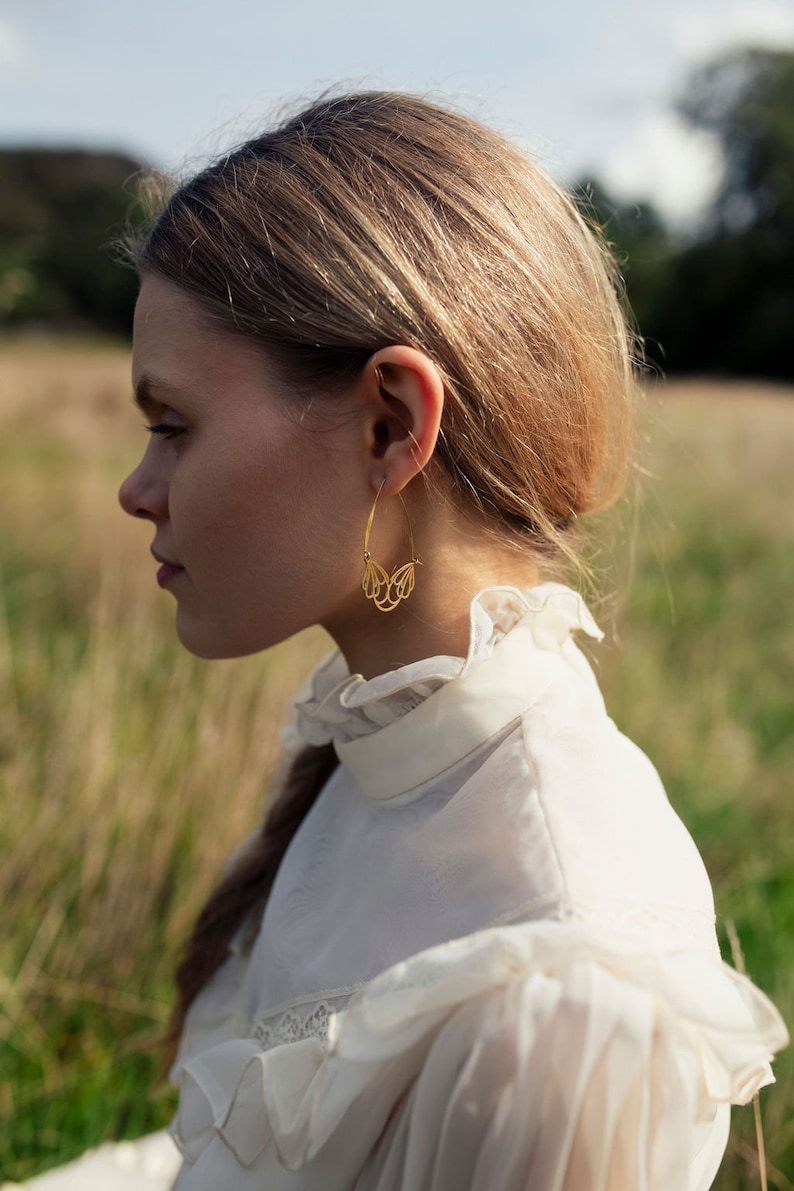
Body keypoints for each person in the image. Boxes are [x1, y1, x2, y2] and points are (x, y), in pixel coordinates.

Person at [113, 92, 785, 1190]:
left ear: (388, 425)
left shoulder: (558, 993)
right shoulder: (383, 746)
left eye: (173, 426)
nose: (137, 490)